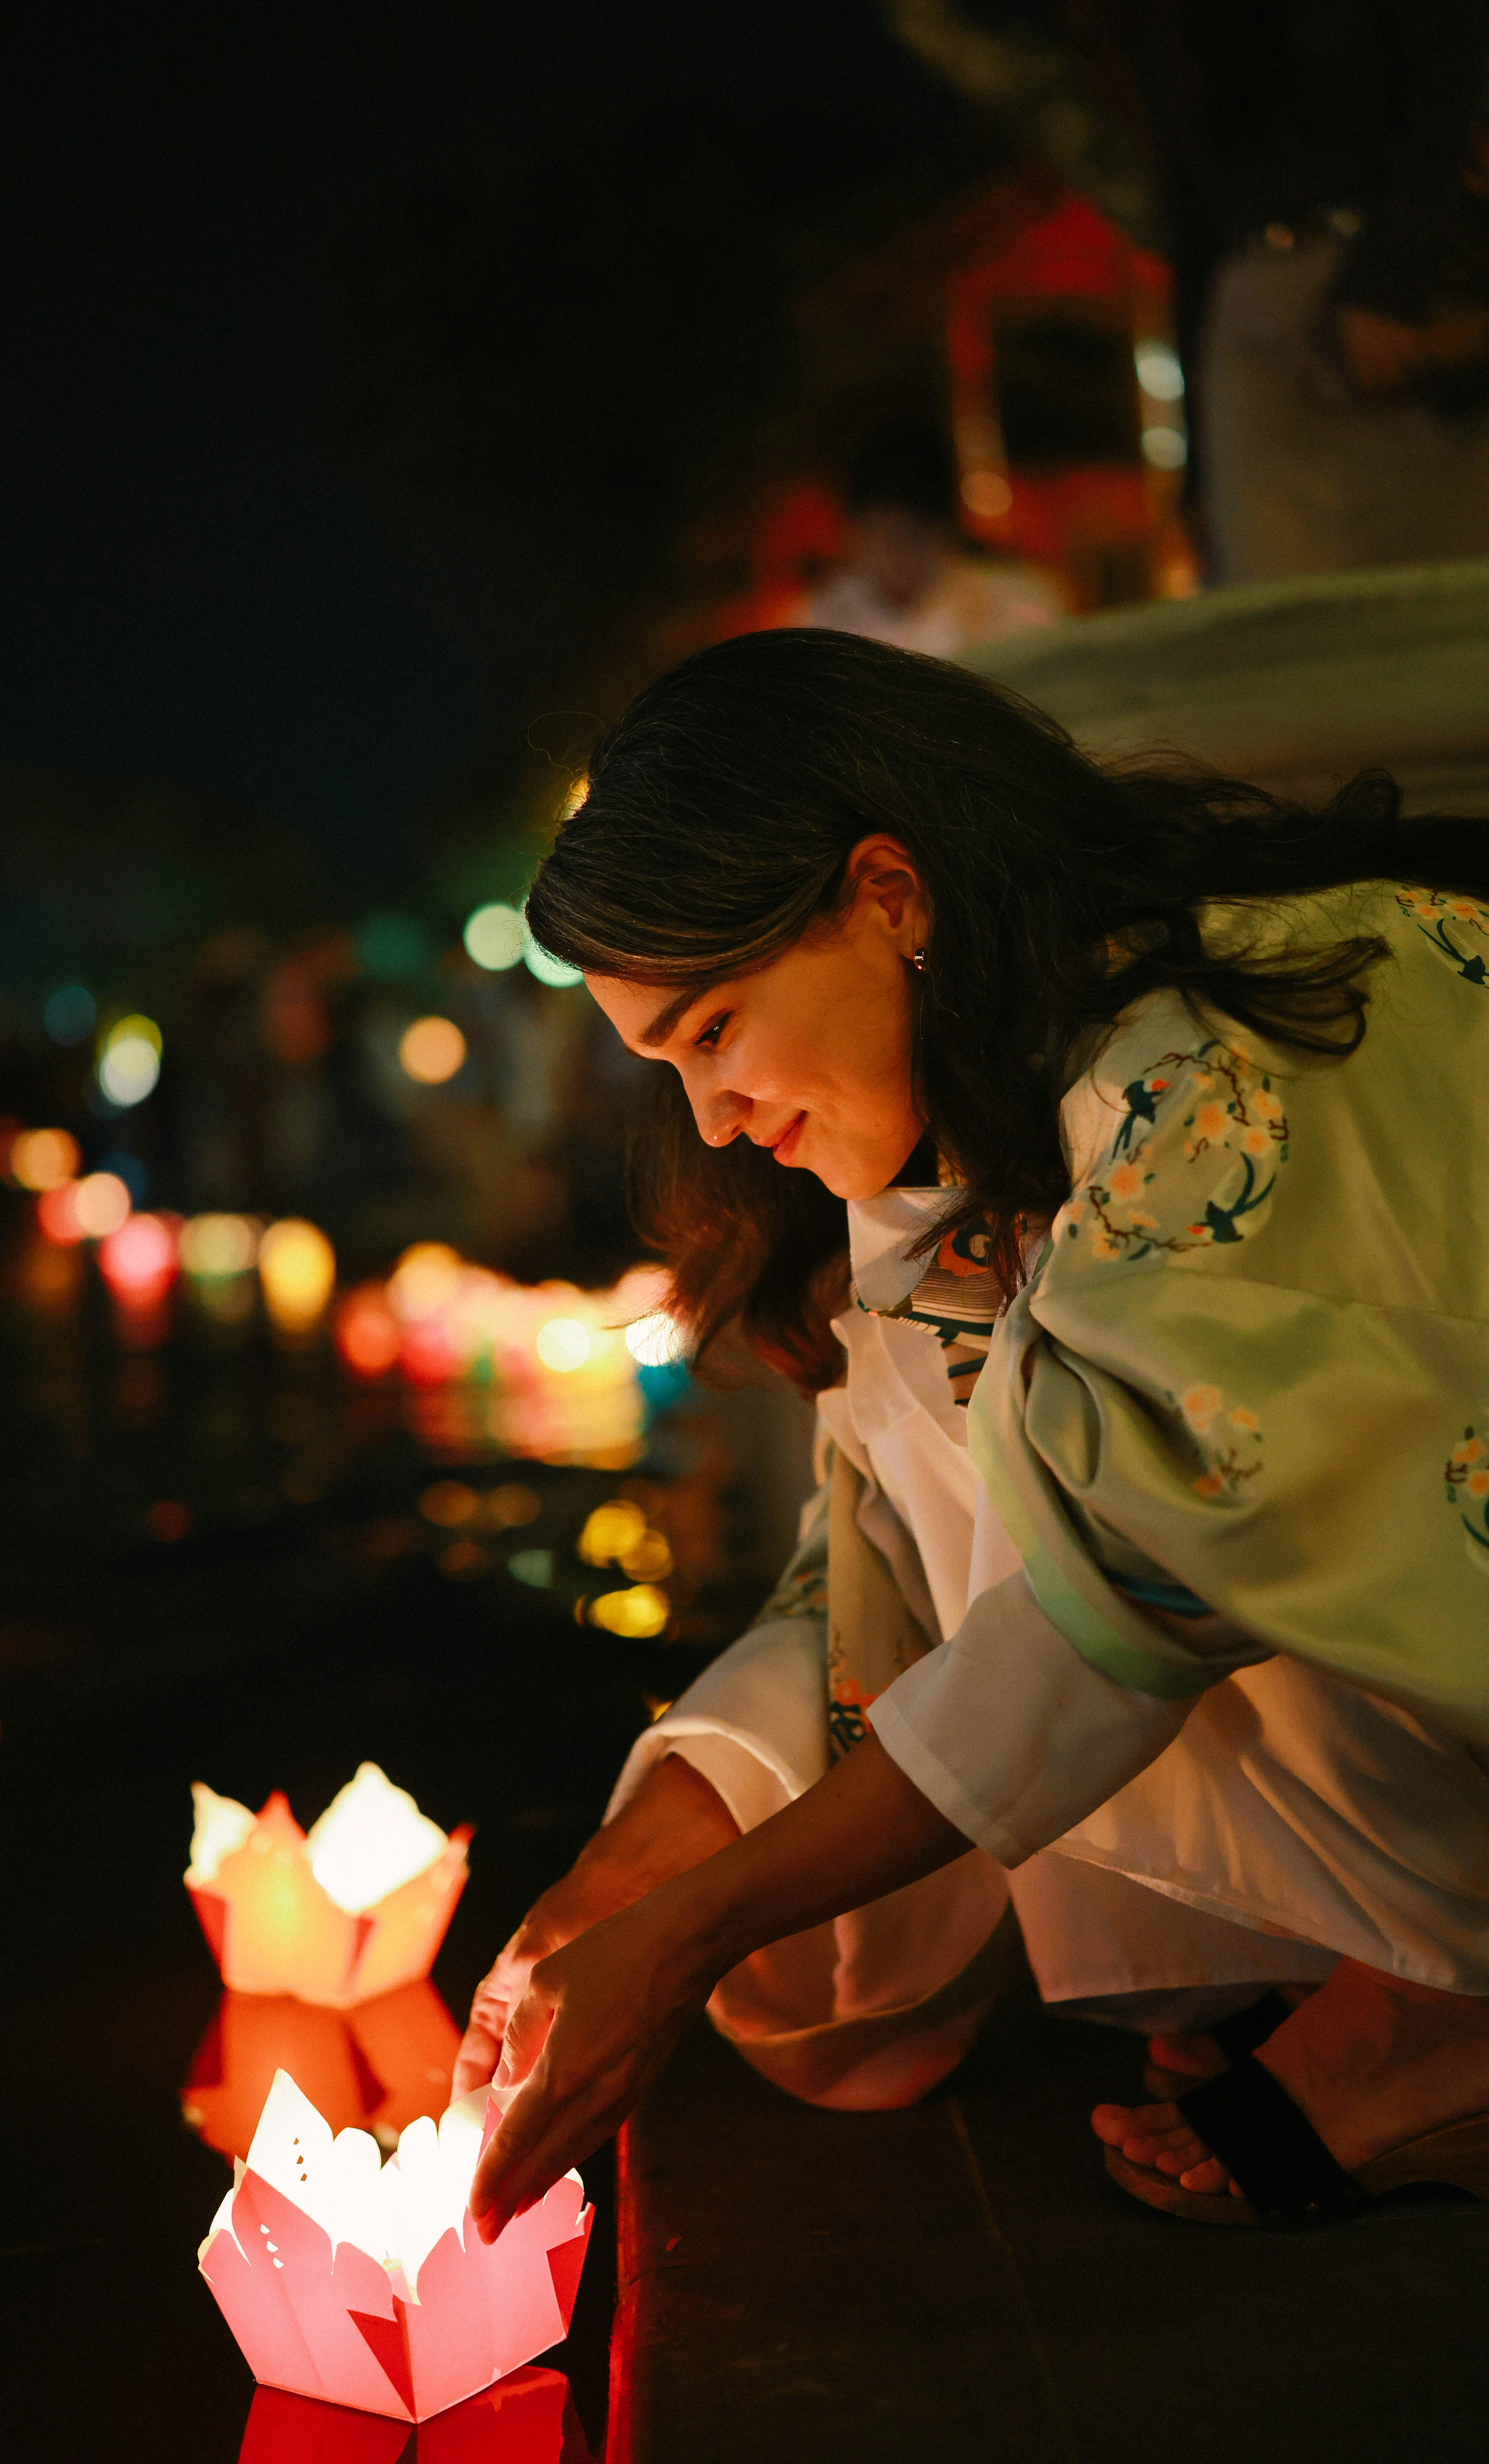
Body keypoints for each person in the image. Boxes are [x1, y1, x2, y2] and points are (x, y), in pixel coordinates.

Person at [459, 625, 1489, 2239]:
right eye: (668, 1069)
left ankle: (1459, 1998)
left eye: (713, 1030)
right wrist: (642, 1865)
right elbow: (870, 1570)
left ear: (888, 894)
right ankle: (1375, 1940)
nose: (711, 1120)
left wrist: (685, 1937)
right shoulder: (962, 1132)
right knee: (955, 1395)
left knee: (1111, 1456)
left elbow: (1133, 1585)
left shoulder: (1208, 1065)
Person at [1104, 1, 1489, 579]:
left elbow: (1450, 86)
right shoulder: (1165, 26)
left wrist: (1394, 278)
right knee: (1274, 611)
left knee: (1430, 599)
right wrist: (1196, 467)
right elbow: (1185, 215)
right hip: (1246, 302)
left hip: (1398, 304)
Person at [803, 422, 1066, 660]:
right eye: (882, 535)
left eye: (916, 536)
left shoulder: (1021, 608)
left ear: (947, 532)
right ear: (853, 534)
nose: (900, 555)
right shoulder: (820, 628)